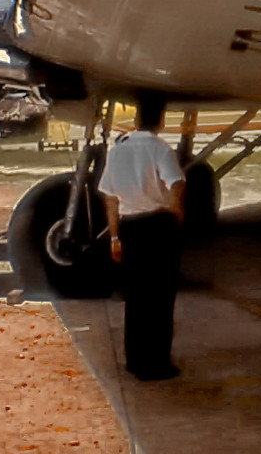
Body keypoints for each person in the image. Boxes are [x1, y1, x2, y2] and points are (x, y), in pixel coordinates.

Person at [97, 94, 185, 381]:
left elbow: (110, 196)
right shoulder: (161, 149)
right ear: (161, 120)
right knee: (160, 299)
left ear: (135, 119)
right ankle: (157, 363)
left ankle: (135, 361)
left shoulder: (117, 150)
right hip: (158, 226)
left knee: (136, 298)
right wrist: (176, 209)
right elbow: (176, 182)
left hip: (130, 226)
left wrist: (114, 237)